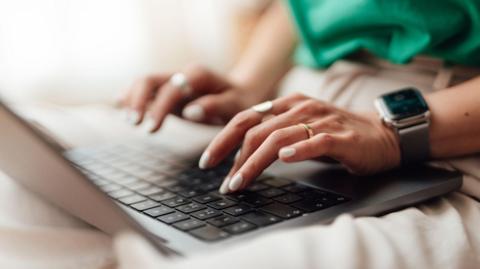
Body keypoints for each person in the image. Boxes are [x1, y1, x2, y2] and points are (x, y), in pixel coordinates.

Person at [118, 1, 480, 268]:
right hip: (299, 106)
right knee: (79, 189)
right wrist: (245, 85)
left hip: (445, 133)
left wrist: (386, 131)